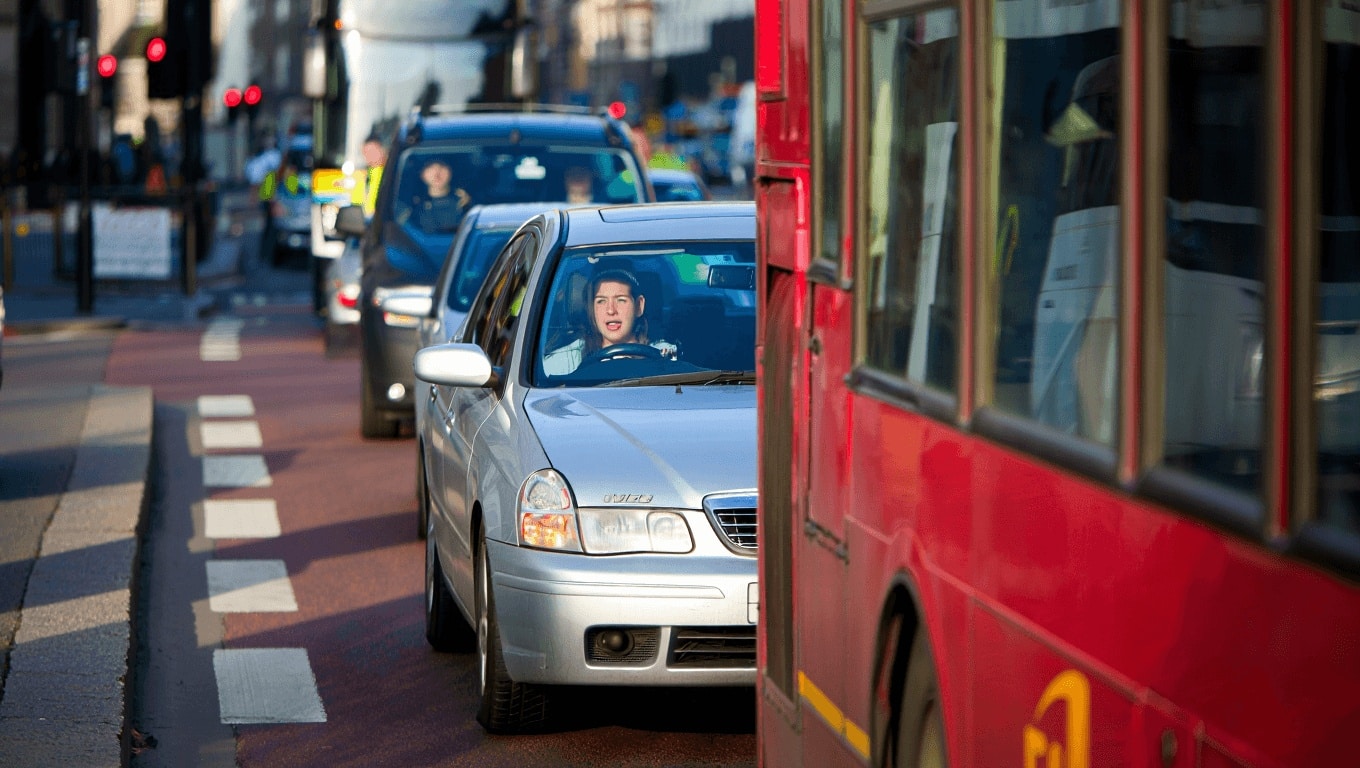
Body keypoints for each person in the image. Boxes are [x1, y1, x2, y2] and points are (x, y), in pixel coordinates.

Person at [543, 268, 676, 375]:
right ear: (592, 309)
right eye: (601, 301)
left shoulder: (664, 357)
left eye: (621, 300)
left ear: (638, 306)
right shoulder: (567, 360)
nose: (611, 310)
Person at [400, 158, 469, 232]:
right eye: (430, 167)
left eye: (442, 166)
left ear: (451, 171)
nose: (437, 173)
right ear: (422, 174)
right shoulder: (412, 206)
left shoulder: (465, 203)